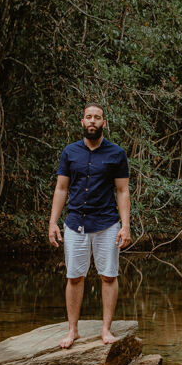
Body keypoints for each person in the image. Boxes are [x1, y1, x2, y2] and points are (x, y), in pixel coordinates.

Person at [48, 103, 131, 349]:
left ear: (104, 123)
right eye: (88, 117)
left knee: (108, 275)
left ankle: (106, 329)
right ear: (82, 122)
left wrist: (125, 226)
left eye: (97, 117)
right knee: (74, 276)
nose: (92, 121)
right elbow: (61, 188)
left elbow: (122, 191)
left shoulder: (116, 154)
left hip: (107, 224)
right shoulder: (70, 152)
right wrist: (53, 222)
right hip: (75, 224)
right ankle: (72, 330)